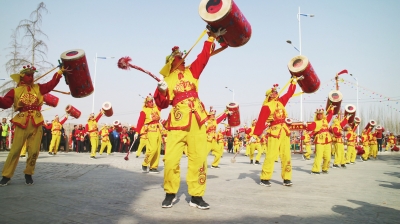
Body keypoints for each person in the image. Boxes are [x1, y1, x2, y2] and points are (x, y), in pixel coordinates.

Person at [153, 27, 226, 209]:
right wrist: (162, 92)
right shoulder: (166, 79)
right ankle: (170, 192)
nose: (181, 58)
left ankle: (196, 195)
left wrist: (211, 38)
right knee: (170, 160)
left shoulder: (192, 71)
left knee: (199, 159)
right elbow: (161, 104)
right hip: (177, 122)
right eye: (177, 57)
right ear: (171, 62)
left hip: (198, 121)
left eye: (182, 56)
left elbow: (203, 57)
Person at [0, 64, 65, 186]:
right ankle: (6, 175)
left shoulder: (38, 88)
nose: (31, 77)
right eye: (28, 75)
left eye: (32, 75)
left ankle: (28, 173)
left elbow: (50, 85)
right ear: (22, 77)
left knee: (34, 150)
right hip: (22, 122)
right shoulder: (15, 91)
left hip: (36, 122)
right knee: (15, 150)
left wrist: (59, 73)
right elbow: (5, 103)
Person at [253, 80, 298, 187]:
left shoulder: (281, 102)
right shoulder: (267, 106)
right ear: (268, 95)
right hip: (274, 132)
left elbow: (289, 94)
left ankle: (287, 178)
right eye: (273, 92)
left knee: (286, 155)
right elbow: (261, 121)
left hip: (284, 132)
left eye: (276, 92)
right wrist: (255, 134)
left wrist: (294, 82)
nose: (275, 93)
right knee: (271, 155)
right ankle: (265, 178)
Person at [134, 94, 162, 173]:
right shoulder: (144, 111)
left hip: (158, 129)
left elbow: (160, 100)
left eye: (152, 101)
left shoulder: (157, 108)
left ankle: (153, 167)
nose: (151, 103)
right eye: (149, 102)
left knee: (157, 150)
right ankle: (145, 163)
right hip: (151, 130)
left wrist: (158, 90)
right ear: (146, 103)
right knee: (152, 149)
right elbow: (140, 122)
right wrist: (137, 132)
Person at [304, 106, 335, 174]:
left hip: (327, 141)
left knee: (328, 157)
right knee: (319, 156)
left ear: (323, 114)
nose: (320, 115)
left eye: (321, 114)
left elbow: (330, 115)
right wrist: (305, 124)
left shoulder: (326, 120)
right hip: (319, 141)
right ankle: (315, 170)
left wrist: (331, 109)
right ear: (317, 115)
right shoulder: (315, 123)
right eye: (318, 114)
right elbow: (309, 128)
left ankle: (325, 168)